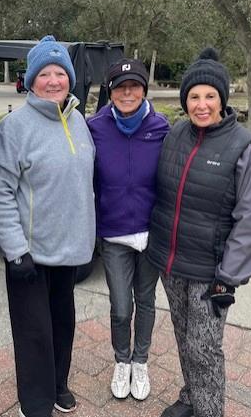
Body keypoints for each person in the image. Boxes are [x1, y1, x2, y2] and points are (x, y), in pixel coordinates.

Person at [147, 48, 251, 417]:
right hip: (172, 264)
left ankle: (209, 411)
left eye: (210, 96)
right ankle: (191, 398)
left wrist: (228, 278)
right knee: (184, 339)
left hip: (211, 273)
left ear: (222, 99)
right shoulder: (175, 135)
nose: (201, 105)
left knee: (205, 348)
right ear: (185, 100)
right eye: (194, 96)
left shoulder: (244, 148)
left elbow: (250, 220)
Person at [0, 35, 95, 417]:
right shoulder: (15, 127)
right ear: (31, 81)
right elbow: (1, 191)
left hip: (69, 250)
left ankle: (57, 384)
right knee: (33, 332)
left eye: (60, 73)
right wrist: (15, 249)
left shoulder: (79, 121)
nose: (53, 81)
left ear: (70, 79)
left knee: (62, 323)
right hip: (29, 254)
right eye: (45, 74)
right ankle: (35, 403)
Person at [87, 59, 169, 400]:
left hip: (151, 234)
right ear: (110, 92)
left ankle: (140, 361)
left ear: (144, 90)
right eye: (120, 87)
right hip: (114, 234)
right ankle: (122, 361)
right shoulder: (95, 127)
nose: (127, 93)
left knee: (145, 301)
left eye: (134, 86)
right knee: (121, 307)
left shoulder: (161, 128)